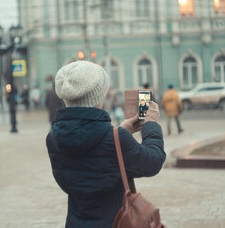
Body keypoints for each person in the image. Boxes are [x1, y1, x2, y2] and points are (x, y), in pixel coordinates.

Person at [46, 61, 165, 228]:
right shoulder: (116, 139)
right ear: (98, 96)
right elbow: (153, 161)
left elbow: (88, 159)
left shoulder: (53, 138)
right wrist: (151, 124)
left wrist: (121, 130)